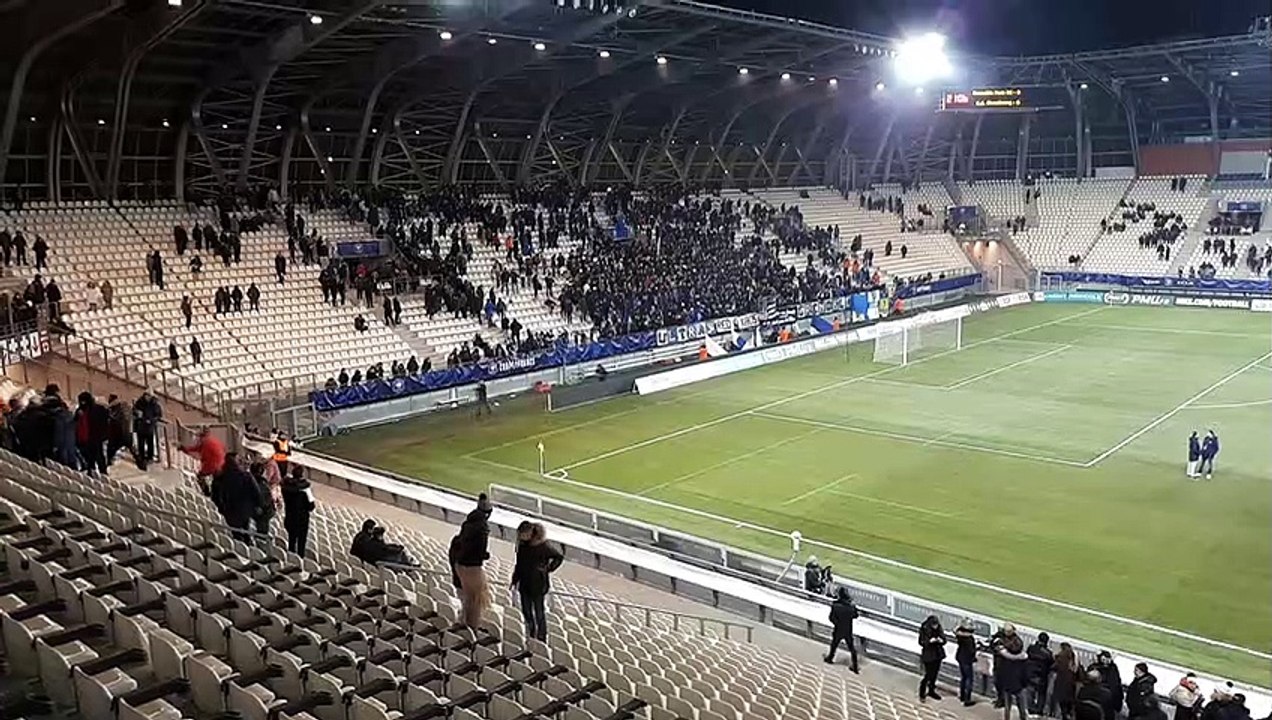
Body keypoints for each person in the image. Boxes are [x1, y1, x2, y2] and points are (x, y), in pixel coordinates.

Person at [510, 521, 563, 641]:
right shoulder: (522, 545)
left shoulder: (543, 546)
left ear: (529, 533)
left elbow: (558, 556)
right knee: (526, 610)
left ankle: (542, 636)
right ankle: (532, 631)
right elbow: (519, 564)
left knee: (539, 612)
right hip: (524, 583)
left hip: (538, 584)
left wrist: (548, 569)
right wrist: (515, 578)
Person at [450, 493, 493, 629]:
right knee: (474, 601)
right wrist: (485, 555)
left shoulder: (468, 523)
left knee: (468, 600)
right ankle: (470, 630)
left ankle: (463, 624)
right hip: (471, 567)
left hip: (461, 566)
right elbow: (480, 551)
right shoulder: (482, 528)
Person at [206, 453, 263, 542]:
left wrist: (221, 508)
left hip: (229, 511)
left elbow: (215, 495)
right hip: (245, 510)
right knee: (246, 530)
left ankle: (239, 546)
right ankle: (247, 545)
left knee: (236, 533)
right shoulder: (246, 476)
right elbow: (256, 492)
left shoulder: (220, 478)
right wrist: (258, 505)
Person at [996, 624, 1029, 720]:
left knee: (1007, 707)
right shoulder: (1021, 658)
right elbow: (1024, 672)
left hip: (1007, 683)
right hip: (1018, 685)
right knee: (1021, 707)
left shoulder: (1003, 656)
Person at [282, 465, 315, 557]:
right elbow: (311, 506)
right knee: (301, 543)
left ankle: (291, 557)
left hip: (289, 517)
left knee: (291, 540)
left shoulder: (286, 488)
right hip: (302, 520)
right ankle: (300, 559)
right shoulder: (306, 490)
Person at [74, 392, 110, 476]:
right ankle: (93, 472)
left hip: (95, 437)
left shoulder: (98, 409)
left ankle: (102, 472)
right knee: (90, 458)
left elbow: (105, 421)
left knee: (98, 456)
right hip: (85, 439)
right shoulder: (80, 411)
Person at [824, 587, 859, 672]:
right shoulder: (851, 607)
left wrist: (837, 624)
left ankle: (830, 658)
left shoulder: (835, 605)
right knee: (852, 648)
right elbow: (856, 615)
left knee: (834, 645)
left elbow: (831, 618)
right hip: (848, 630)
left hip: (838, 629)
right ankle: (855, 665)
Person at [918, 615, 946, 702]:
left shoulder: (939, 629)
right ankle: (922, 692)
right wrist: (930, 641)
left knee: (934, 674)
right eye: (934, 625)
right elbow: (921, 642)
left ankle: (931, 690)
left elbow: (944, 640)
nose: (936, 627)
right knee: (928, 675)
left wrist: (941, 641)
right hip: (928, 655)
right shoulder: (924, 629)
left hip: (937, 654)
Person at [132, 389, 162, 469]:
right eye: (146, 395)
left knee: (150, 443)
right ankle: (141, 458)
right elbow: (134, 410)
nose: (147, 397)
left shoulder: (155, 404)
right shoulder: (139, 402)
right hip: (141, 426)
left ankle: (150, 457)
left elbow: (158, 415)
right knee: (140, 443)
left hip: (150, 426)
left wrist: (151, 420)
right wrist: (137, 414)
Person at [1025, 632, 1054, 715]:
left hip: (1030, 675)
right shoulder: (1048, 653)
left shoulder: (1031, 648)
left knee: (1030, 692)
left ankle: (1031, 709)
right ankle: (1038, 710)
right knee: (1041, 695)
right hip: (1041, 677)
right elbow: (1051, 664)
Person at [248, 461, 275, 548]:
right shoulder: (262, 484)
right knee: (262, 534)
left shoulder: (247, 481)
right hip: (262, 513)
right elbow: (267, 500)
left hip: (254, 511)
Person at [1093, 651, 1123, 720]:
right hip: (1104, 699)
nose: (1105, 661)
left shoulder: (1112, 669)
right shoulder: (1098, 668)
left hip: (1110, 700)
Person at [954, 619, 978, 706]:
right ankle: (967, 699)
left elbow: (955, 631)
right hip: (967, 660)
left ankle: (962, 696)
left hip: (960, 658)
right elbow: (971, 651)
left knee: (963, 678)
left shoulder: (960, 637)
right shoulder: (969, 639)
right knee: (969, 679)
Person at [1052, 642, 1078, 720]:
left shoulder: (1061, 657)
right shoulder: (1072, 658)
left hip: (1061, 684)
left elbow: (1054, 666)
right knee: (1068, 705)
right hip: (1070, 686)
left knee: (1061, 704)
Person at [105, 394, 131, 465]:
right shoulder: (120, 408)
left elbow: (116, 419)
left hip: (119, 433)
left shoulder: (117, 409)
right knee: (111, 450)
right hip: (120, 433)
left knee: (111, 449)